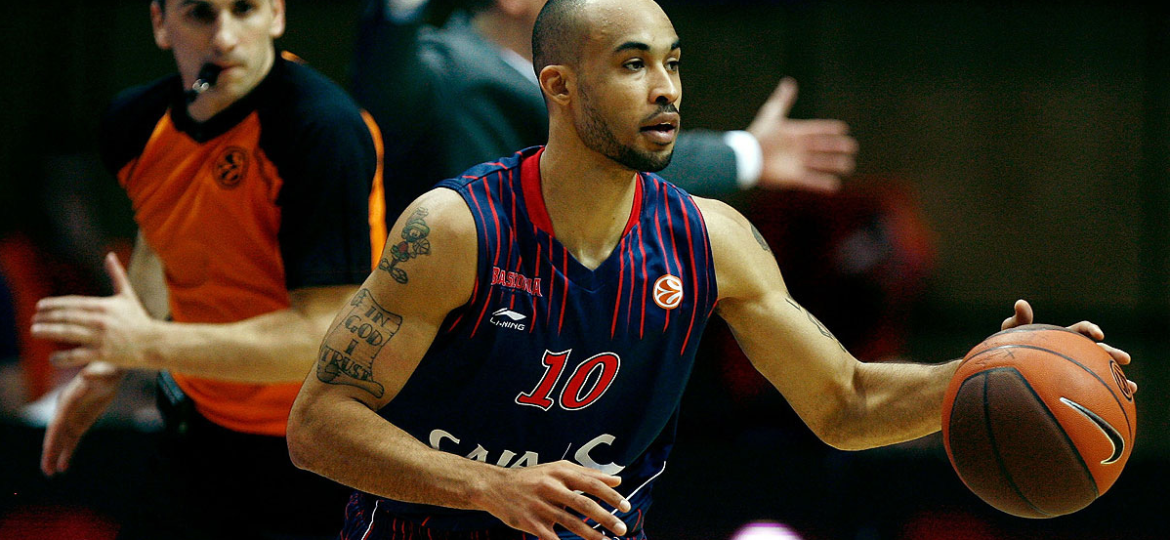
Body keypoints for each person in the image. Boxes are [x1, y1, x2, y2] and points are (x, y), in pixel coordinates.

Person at [287, 1, 1137, 539]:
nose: (666, 88)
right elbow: (318, 425)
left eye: (673, 61)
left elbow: (844, 402)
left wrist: (989, 371)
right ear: (559, 86)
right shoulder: (454, 229)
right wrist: (490, 489)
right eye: (633, 65)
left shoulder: (710, 240)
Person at [30, 0, 385, 538]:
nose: (223, 38)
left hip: (318, 442)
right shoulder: (134, 123)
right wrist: (112, 362)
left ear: (276, 15)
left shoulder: (321, 127)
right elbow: (163, 241)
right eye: (200, 14)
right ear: (159, 23)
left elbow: (324, 338)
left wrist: (143, 345)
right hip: (197, 423)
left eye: (244, 10)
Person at [352, 0, 859, 222]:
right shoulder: (445, 70)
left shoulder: (586, 83)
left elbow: (616, 157)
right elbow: (386, 92)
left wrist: (748, 153)